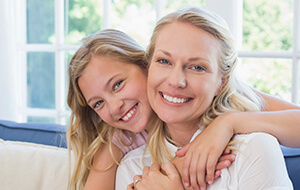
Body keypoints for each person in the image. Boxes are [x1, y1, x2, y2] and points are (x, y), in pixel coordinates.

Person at [115, 7, 297, 190]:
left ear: (222, 83)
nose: (176, 81)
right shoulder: (132, 168)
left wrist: (229, 121)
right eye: (164, 61)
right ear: (148, 67)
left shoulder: (254, 149)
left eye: (197, 68)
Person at [66, 29, 235, 190]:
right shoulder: (119, 141)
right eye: (98, 103)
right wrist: (175, 166)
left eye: (117, 85)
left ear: (146, 65)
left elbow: (261, 112)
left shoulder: (206, 91)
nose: (115, 107)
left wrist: (227, 123)